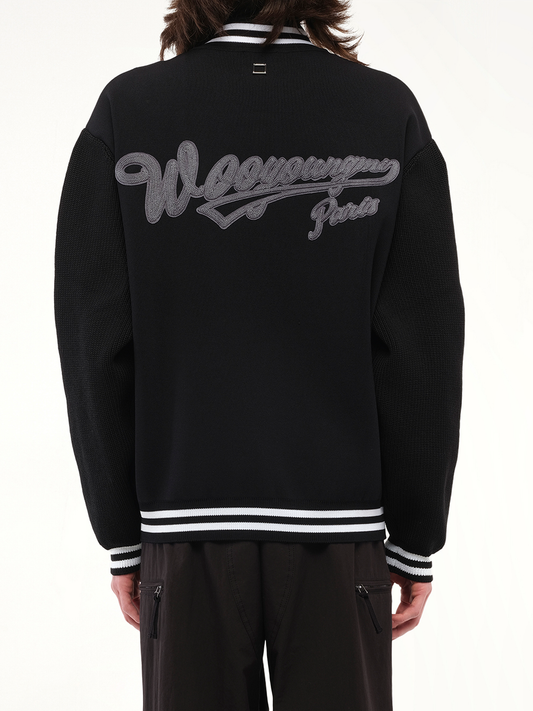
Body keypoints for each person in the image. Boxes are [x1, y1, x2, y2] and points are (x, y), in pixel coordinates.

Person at [54, 0, 465, 708]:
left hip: (185, 532)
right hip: (339, 537)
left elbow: (94, 339)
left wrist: (122, 533)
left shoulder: (128, 113)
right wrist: (414, 535)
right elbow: (421, 345)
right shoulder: (384, 112)